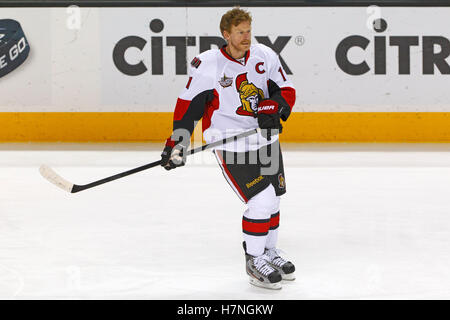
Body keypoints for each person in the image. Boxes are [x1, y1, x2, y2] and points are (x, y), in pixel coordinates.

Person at [161, 7, 296, 290]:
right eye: (240, 32)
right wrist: (178, 142)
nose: (247, 37)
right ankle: (254, 259)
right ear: (226, 35)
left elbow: (285, 89)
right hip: (230, 141)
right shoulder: (208, 65)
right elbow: (188, 107)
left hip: (266, 138)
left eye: (249, 31)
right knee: (260, 200)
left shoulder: (265, 55)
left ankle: (270, 252)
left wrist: (277, 108)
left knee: (274, 199)